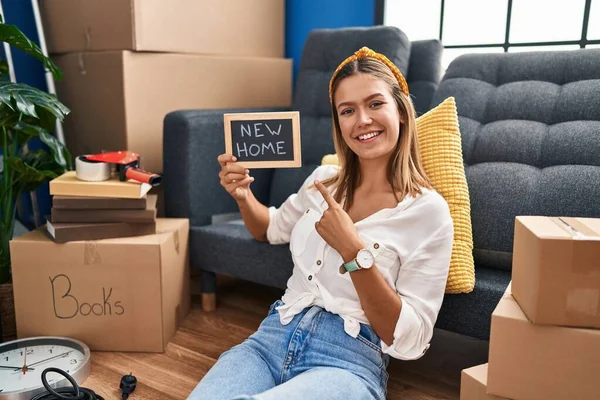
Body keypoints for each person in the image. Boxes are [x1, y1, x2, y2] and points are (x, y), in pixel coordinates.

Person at [188, 47, 454, 400]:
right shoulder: (322, 182)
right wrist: (242, 195)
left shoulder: (428, 213)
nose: (362, 120)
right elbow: (268, 228)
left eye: (375, 104)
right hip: (270, 338)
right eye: (348, 110)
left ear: (401, 112)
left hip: (346, 362)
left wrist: (353, 251)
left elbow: (411, 340)